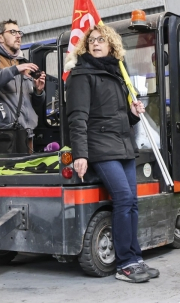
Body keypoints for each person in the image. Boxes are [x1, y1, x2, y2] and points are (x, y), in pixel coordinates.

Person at [65, 24, 159, 283]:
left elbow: (120, 117)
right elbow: (78, 118)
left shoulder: (116, 74)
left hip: (122, 146)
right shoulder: (81, 75)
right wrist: (80, 155)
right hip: (100, 147)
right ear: (86, 46)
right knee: (123, 198)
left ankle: (135, 257)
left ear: (111, 46)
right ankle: (124, 264)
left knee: (132, 203)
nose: (96, 43)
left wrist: (133, 113)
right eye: (92, 40)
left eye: (102, 40)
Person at [0, 19, 46, 151]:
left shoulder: (22, 62)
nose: (18, 36)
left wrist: (38, 91)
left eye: (19, 32)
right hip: (3, 135)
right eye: (13, 32)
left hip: (27, 134)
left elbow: (36, 105)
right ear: (0, 37)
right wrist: (14, 70)